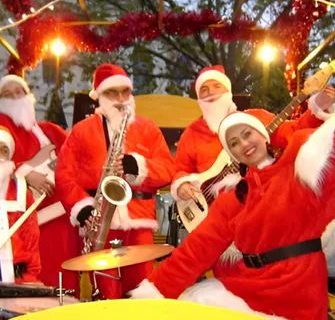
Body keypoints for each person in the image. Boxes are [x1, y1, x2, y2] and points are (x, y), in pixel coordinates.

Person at [129, 109, 335, 319]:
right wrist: (153, 292)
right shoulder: (233, 198)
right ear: (231, 153)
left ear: (264, 135)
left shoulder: (299, 171)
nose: (244, 145)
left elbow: (326, 146)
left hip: (299, 290)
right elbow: (197, 249)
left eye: (247, 134)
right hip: (251, 288)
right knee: (194, 302)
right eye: (234, 143)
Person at [55, 63, 176, 299]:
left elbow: (168, 170)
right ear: (99, 96)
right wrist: (81, 208)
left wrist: (139, 166)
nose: (121, 99)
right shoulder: (81, 131)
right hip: (99, 219)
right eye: (112, 93)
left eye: (125, 92)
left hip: (140, 219)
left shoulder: (148, 128)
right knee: (105, 293)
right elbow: (63, 174)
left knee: (142, 290)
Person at [171, 65, 330, 202]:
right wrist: (181, 185)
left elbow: (293, 131)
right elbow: (179, 169)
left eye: (216, 86)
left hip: (257, 204)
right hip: (211, 216)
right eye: (204, 90)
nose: (211, 93)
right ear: (199, 98)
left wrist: (317, 108)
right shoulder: (192, 134)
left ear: (228, 91)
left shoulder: (255, 118)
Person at [0, 75, 80, 290]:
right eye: (7, 94)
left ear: (29, 96)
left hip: (61, 220)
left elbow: (77, 159)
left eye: (19, 92)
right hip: (25, 224)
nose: (14, 97)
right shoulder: (2, 129)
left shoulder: (50, 131)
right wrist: (25, 172)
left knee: (65, 281)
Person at [0, 126, 41, 283]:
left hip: (16, 278)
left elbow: (31, 242)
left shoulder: (22, 194)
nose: (0, 157)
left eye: (5, 151)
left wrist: (31, 278)